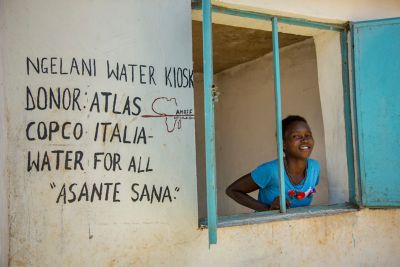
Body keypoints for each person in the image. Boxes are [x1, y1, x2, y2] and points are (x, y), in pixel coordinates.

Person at [226, 115, 320, 211]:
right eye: (296, 136)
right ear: (283, 144)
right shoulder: (271, 170)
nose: (304, 140)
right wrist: (268, 209)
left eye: (308, 135)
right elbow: (232, 190)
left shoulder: (314, 168)